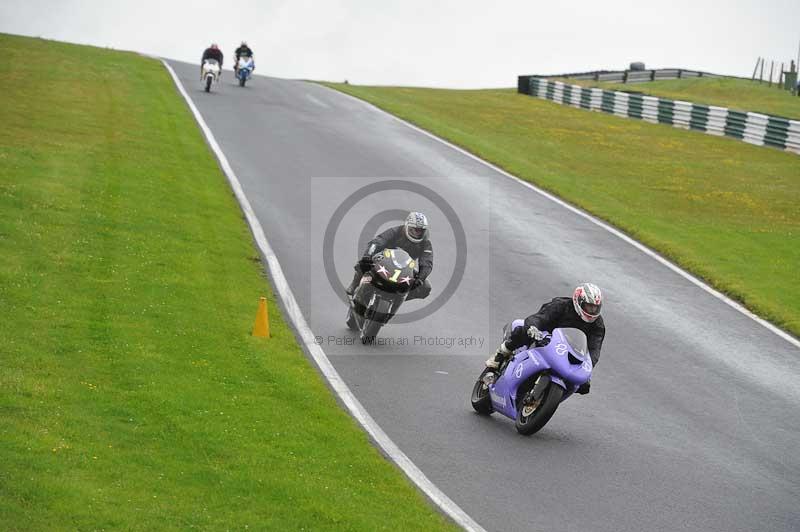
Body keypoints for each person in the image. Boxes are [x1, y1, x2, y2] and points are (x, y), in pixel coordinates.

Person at [485, 283, 606, 394]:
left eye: (595, 307)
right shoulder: (561, 305)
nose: (592, 310)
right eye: (589, 306)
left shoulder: (598, 325)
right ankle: (497, 359)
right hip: (544, 336)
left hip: (569, 350)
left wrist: (587, 371)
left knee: (581, 385)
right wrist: (533, 328)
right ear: (578, 301)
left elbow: (594, 349)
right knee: (521, 329)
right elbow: (540, 317)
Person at [346, 212, 433, 301]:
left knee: (426, 288)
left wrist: (420, 278)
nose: (416, 233)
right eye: (413, 229)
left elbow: (427, 262)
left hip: (406, 267)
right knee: (363, 264)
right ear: (406, 226)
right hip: (384, 259)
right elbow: (377, 241)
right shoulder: (396, 231)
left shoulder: (426, 243)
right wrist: (367, 256)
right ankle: (354, 285)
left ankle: (400, 298)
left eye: (420, 231)